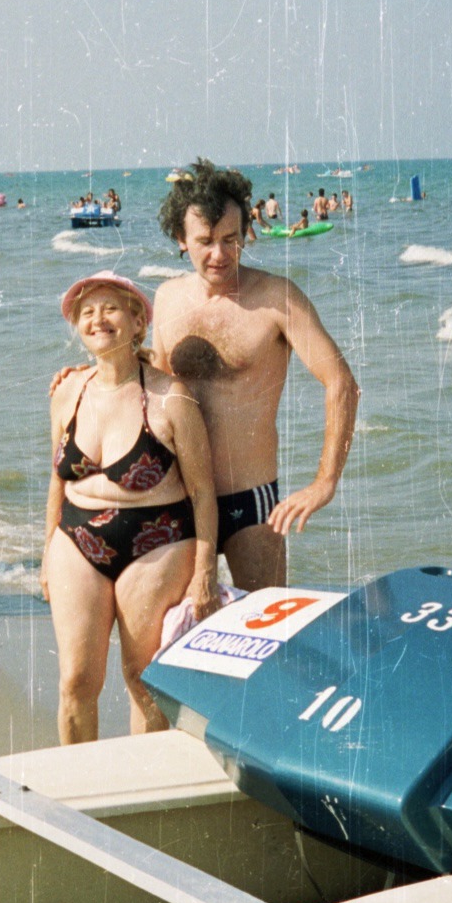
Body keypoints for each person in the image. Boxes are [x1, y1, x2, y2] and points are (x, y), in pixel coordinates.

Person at [153, 160, 359, 591]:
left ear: (246, 232)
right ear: (181, 239)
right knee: (175, 627)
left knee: (268, 623)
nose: (219, 254)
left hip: (250, 501)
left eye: (231, 239)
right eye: (205, 241)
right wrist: (83, 379)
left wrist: (325, 483)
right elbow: (153, 390)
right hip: (178, 498)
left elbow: (341, 382)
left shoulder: (276, 297)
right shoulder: (167, 298)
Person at [42, 271, 219, 744]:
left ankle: (140, 777)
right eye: (87, 312)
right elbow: (57, 479)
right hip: (75, 540)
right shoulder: (67, 391)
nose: (98, 319)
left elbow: (203, 493)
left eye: (110, 309)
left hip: (157, 543)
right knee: (76, 681)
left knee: (142, 680)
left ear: (139, 321)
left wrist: (205, 572)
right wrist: (46, 553)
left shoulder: (171, 398)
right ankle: (76, 780)